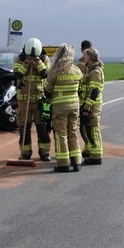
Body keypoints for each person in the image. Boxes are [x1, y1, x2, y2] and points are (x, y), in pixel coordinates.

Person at [44, 43, 83, 173]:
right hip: (75, 106)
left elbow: (47, 90)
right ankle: (77, 162)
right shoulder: (77, 70)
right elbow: (80, 88)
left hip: (60, 107)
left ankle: (63, 163)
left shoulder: (55, 71)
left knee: (61, 135)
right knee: (73, 133)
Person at [15, 37, 51, 161]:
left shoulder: (44, 59)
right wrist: (26, 64)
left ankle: (44, 152)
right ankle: (25, 153)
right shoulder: (19, 59)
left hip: (39, 100)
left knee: (42, 127)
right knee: (24, 127)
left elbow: (46, 74)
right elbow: (17, 75)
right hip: (24, 101)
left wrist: (38, 63)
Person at [80, 47, 105, 165]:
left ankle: (96, 156)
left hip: (93, 106)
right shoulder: (91, 69)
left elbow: (94, 91)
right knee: (88, 128)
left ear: (89, 58)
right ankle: (92, 151)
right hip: (90, 104)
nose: (83, 58)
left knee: (93, 129)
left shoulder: (95, 71)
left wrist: (86, 107)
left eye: (85, 56)